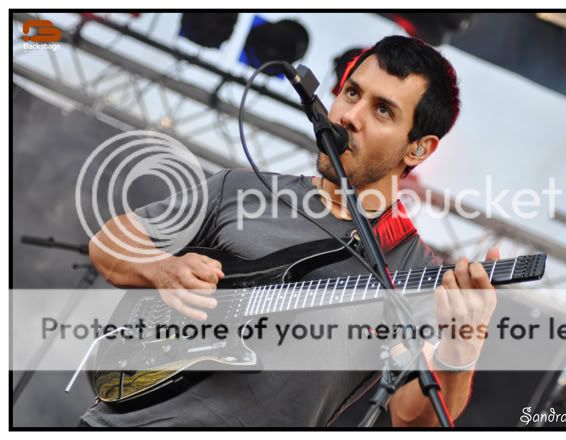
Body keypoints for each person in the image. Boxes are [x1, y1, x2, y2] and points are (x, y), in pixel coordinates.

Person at [79, 35, 498, 427]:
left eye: (382, 110)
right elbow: (108, 245)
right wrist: (160, 269)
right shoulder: (240, 188)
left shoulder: (413, 270)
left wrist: (463, 347)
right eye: (351, 93)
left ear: (418, 148)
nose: (350, 116)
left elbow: (412, 416)